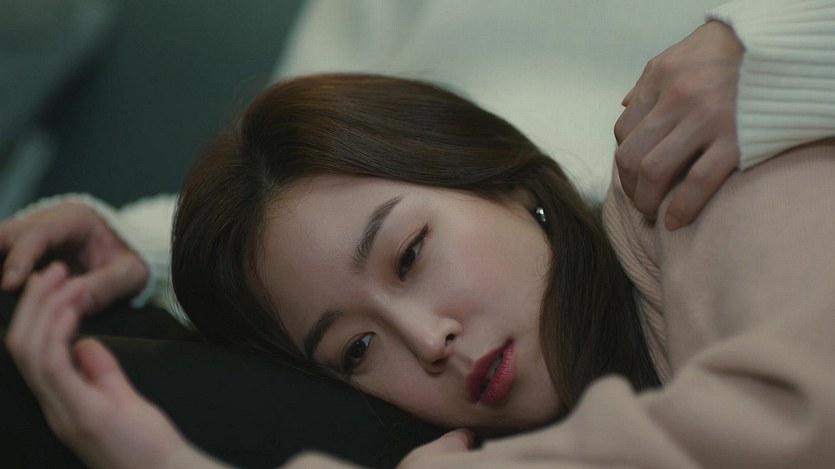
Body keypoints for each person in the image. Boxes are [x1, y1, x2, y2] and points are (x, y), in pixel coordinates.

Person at [4, 1, 835, 468]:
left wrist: (782, 60)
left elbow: (795, 423)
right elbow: (296, 186)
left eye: (409, 256)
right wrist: (141, 243)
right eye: (357, 350)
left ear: (507, 178)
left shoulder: (711, 196)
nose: (428, 339)